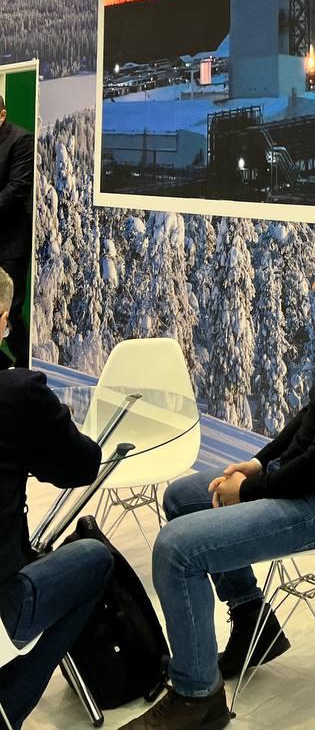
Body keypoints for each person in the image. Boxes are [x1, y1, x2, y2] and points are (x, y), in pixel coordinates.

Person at [121, 232, 315, 730]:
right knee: (183, 496)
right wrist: (259, 464)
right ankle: (252, 622)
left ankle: (196, 698)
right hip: (313, 486)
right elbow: (310, 417)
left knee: (176, 550)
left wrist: (249, 489)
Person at [0, 267, 114, 730]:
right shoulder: (19, 393)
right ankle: (10, 702)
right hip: (3, 602)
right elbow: (82, 465)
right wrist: (49, 426)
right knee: (96, 560)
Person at [0, 95, 35, 368]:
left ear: (2, 115)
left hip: (10, 243)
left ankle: (24, 367)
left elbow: (17, 189)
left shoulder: (21, 140)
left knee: (10, 309)